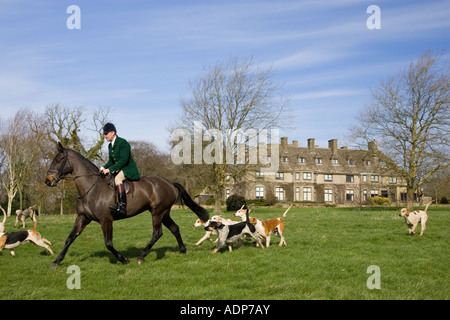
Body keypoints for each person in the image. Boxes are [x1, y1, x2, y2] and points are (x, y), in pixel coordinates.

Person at [100, 123, 140, 216]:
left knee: (117, 179)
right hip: (119, 169)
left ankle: (122, 206)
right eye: (104, 134)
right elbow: (111, 161)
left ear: (113, 132)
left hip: (128, 168)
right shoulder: (110, 146)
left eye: (106, 134)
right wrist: (104, 168)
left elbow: (123, 160)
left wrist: (109, 170)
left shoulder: (122, 142)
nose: (105, 136)